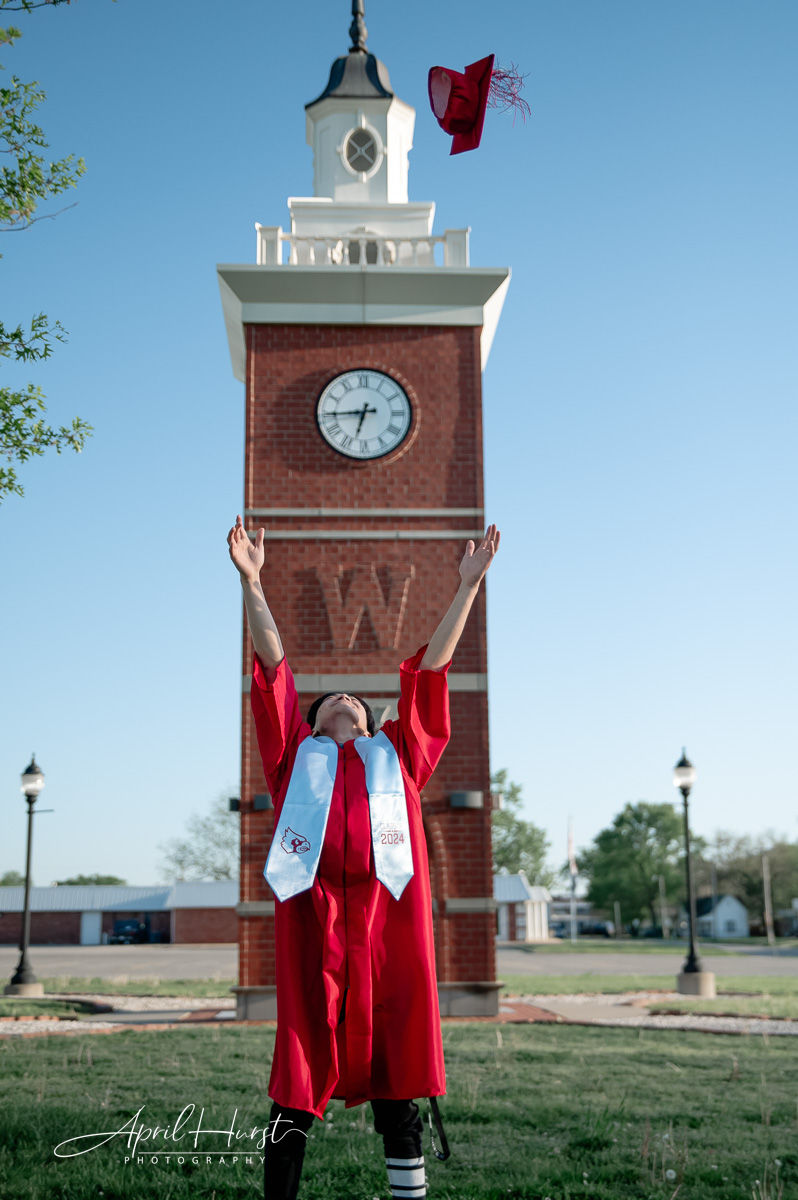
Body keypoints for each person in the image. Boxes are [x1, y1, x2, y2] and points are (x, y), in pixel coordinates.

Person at [227, 515, 501, 1200]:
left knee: (397, 1069)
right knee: (298, 1070)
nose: (342, 700)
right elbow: (272, 665)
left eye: (355, 700)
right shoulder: (294, 761)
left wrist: (467, 588)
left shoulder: (400, 759)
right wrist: (253, 582)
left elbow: (431, 669)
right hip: (312, 927)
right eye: (328, 702)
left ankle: (408, 1192)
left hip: (389, 931)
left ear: (377, 723)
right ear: (311, 723)